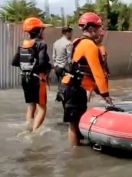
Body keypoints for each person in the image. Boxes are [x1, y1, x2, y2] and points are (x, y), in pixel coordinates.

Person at [61, 12, 113, 147]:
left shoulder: (79, 42)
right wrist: (105, 94)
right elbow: (97, 73)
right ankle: (74, 156)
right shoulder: (89, 45)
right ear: (91, 29)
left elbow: (86, 72)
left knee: (75, 122)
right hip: (73, 89)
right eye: (99, 27)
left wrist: (99, 91)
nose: (101, 31)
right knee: (73, 125)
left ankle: (76, 151)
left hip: (72, 87)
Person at [11, 17, 51, 132]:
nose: (43, 31)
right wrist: (44, 69)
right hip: (37, 79)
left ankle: (28, 128)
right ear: (38, 30)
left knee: (31, 105)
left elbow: (14, 62)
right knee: (42, 108)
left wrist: (27, 70)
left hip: (24, 78)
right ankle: (34, 133)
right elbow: (42, 62)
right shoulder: (41, 44)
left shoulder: (23, 45)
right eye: (42, 29)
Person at [53, 26, 73, 101]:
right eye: (71, 33)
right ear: (67, 33)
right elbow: (69, 58)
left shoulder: (56, 42)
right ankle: (62, 96)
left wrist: (55, 65)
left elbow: (54, 56)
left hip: (57, 67)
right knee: (68, 86)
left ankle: (60, 94)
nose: (71, 35)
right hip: (65, 68)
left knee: (60, 83)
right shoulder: (68, 43)